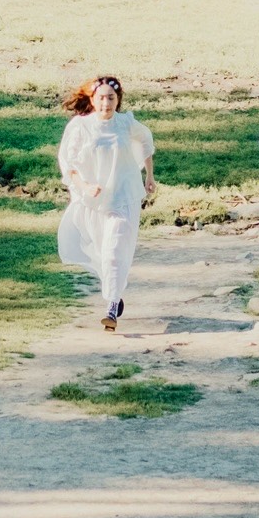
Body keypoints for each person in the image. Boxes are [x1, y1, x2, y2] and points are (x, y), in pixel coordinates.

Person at [56, 75, 156, 331]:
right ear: (92, 100)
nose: (106, 103)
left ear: (117, 100)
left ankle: (111, 307)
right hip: (93, 202)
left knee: (114, 250)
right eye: (101, 98)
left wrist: (149, 176)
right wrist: (85, 186)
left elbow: (145, 140)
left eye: (111, 98)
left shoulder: (125, 123)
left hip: (123, 197)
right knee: (103, 253)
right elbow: (68, 164)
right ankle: (115, 292)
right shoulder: (80, 127)